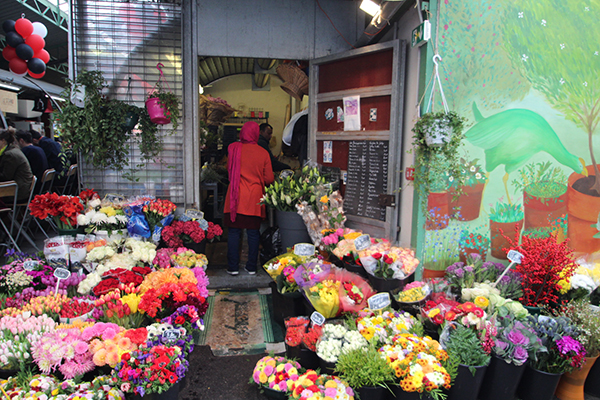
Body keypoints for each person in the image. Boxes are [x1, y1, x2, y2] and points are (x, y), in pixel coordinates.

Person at [223, 121, 274, 275]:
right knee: (253, 233)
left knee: (233, 232)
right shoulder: (263, 153)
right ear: (256, 134)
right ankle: (251, 267)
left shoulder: (233, 148)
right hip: (254, 199)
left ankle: (232, 268)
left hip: (235, 198)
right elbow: (269, 178)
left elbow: (229, 170)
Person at [0, 128, 34, 202]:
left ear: (3, 141)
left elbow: (6, 177)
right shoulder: (13, 149)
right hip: (21, 188)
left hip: (18, 193)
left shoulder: (10, 154)